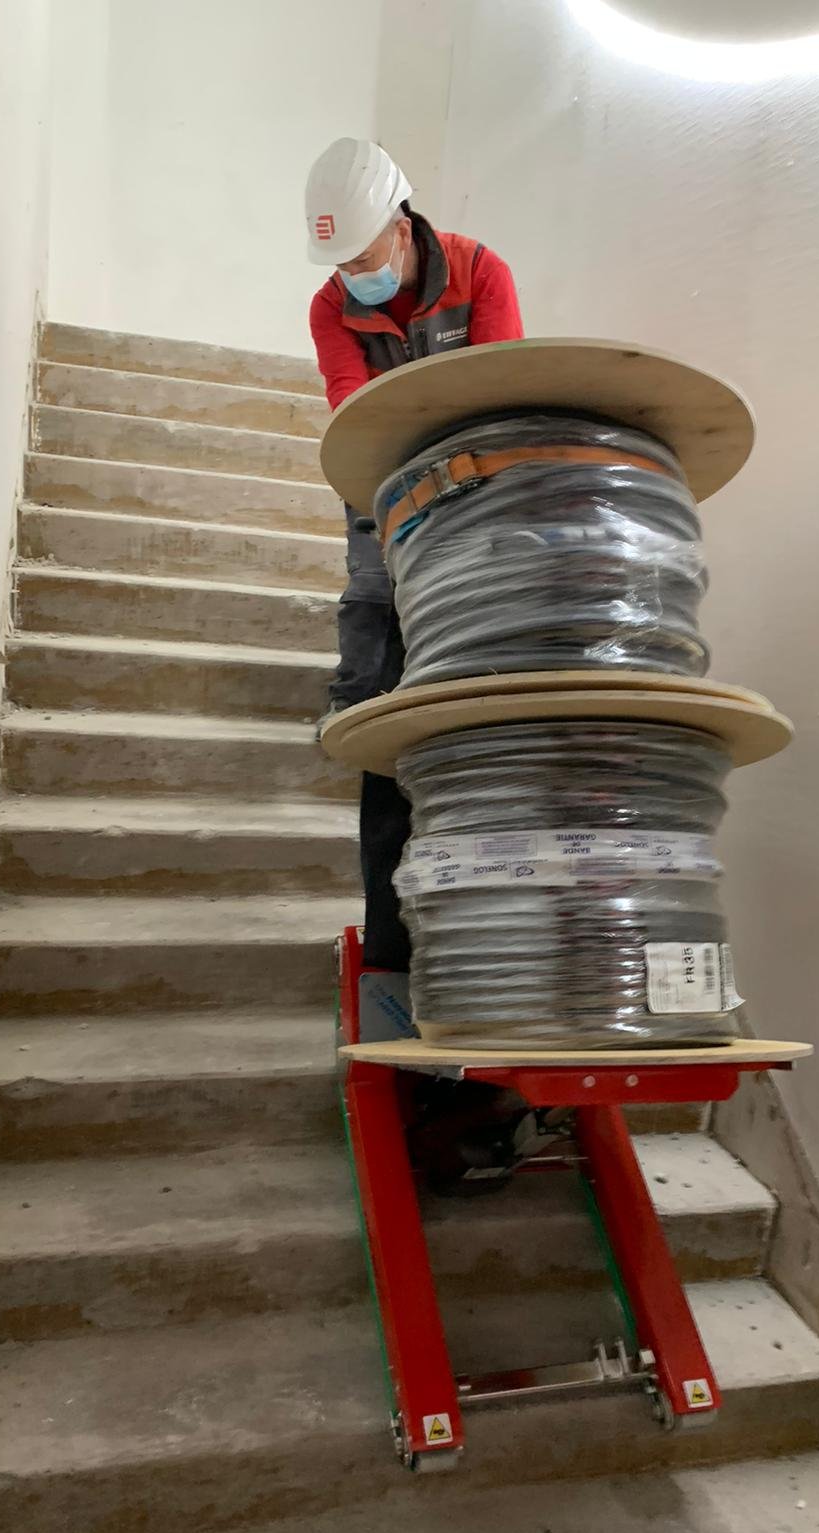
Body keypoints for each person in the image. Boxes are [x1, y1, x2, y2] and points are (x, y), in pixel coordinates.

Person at [305, 137, 524, 974]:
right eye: (339, 264)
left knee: (467, 661)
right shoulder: (333, 306)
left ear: (403, 222)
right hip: (385, 485)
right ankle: (358, 713)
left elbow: (499, 391)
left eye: (364, 258)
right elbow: (349, 411)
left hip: (474, 489)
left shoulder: (479, 271)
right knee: (374, 633)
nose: (352, 275)